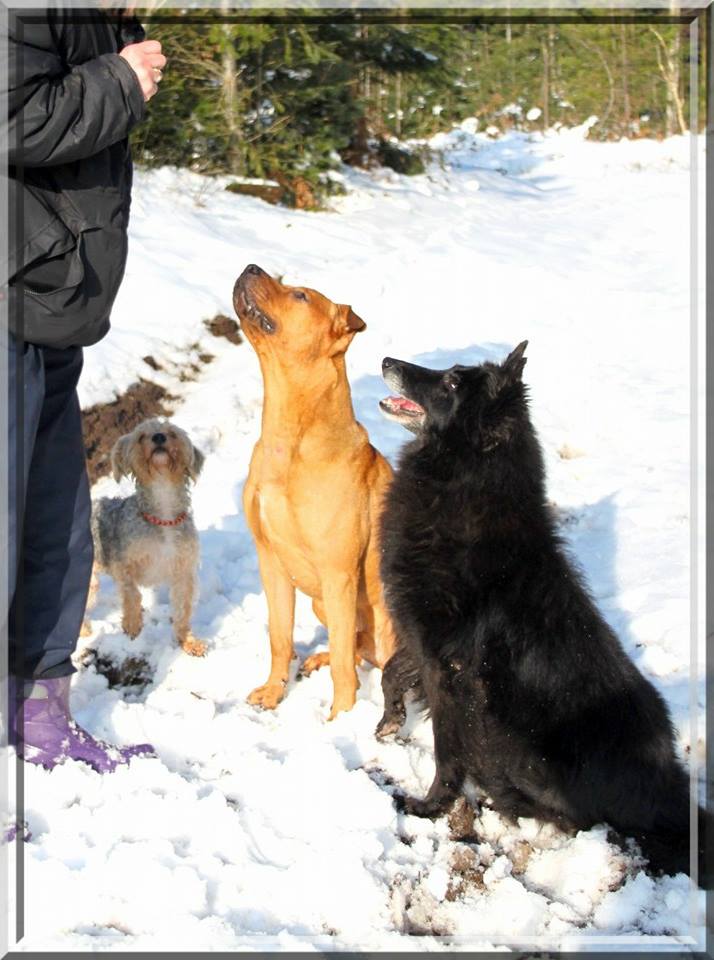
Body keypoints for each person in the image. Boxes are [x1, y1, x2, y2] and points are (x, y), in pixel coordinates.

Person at [2, 6, 166, 772]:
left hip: (47, 296)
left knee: (55, 528)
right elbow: (11, 115)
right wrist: (119, 82)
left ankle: (38, 719)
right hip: (14, 289)